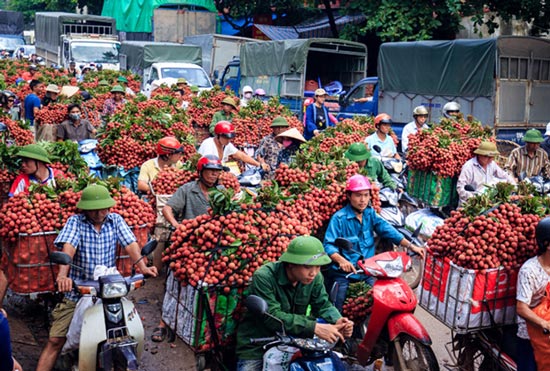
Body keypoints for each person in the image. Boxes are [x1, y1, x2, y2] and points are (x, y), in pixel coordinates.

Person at [35, 184, 158, 371]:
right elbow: (68, 248)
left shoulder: (115, 220)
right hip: (79, 290)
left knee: (126, 329)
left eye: (102, 208)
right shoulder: (76, 222)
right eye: (93, 210)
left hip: (108, 290)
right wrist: (63, 276)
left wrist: (142, 266)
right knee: (55, 339)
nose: (98, 213)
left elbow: (130, 243)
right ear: (85, 209)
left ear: (109, 207)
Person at [235, 235, 354, 369]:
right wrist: (314, 327)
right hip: (258, 343)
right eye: (308, 267)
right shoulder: (264, 277)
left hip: (295, 341)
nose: (313, 273)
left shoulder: (315, 278)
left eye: (318, 267)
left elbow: (322, 304)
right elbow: (272, 316)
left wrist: (338, 320)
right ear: (291, 263)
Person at [323, 174, 425, 311]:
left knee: (378, 305)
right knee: (338, 307)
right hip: (345, 275)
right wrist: (341, 261)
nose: (363, 200)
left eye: (366, 195)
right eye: (358, 195)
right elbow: (329, 245)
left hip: (367, 273)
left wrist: (411, 246)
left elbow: (387, 230)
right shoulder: (339, 219)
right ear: (349, 196)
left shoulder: (370, 214)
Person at [151, 155, 225, 342]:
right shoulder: (187, 189)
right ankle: (163, 323)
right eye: (210, 171)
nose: (213, 175)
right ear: (200, 172)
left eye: (216, 172)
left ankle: (202, 328)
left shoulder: (222, 192)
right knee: (175, 282)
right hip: (188, 243)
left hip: (213, 245)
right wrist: (177, 225)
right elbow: (168, 209)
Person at [516, 217, 550, 371]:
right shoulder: (529, 270)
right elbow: (521, 308)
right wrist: (544, 324)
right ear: (547, 245)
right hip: (531, 333)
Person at [456, 141, 515, 206]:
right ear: (479, 155)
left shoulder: (492, 164)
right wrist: (474, 198)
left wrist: (514, 185)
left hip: (486, 202)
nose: (490, 159)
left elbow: (504, 175)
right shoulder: (469, 167)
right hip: (470, 204)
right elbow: (460, 188)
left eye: (492, 157)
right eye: (487, 157)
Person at [199, 121, 269, 175]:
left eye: (230, 138)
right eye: (226, 138)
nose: (229, 140)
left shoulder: (226, 144)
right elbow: (207, 166)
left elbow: (241, 155)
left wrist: (259, 165)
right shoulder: (208, 145)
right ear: (218, 136)